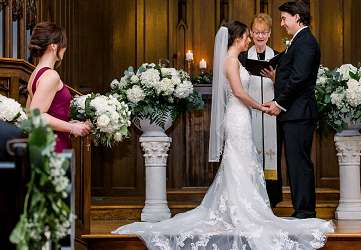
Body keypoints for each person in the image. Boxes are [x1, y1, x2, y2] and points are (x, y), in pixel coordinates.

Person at [113, 21, 333, 250]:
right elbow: (238, 92)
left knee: (242, 164)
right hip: (238, 118)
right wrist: (261, 107)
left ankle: (241, 207)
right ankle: (240, 211)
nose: (249, 40)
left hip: (242, 118)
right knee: (237, 163)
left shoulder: (235, 59)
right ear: (237, 38)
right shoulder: (230, 60)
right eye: (247, 37)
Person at [263, 1, 321, 219]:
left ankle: (305, 211)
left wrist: (278, 103)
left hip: (299, 114)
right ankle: (302, 209)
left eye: (284, 18)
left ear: (297, 17)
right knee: (295, 163)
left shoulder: (305, 42)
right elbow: (294, 76)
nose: (282, 23)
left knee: (299, 163)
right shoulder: (298, 41)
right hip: (294, 113)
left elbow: (299, 79)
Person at [238, 13, 282, 208]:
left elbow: (287, 88)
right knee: (250, 155)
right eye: (256, 32)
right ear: (251, 33)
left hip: (273, 114)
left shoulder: (279, 57)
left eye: (264, 32)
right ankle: (253, 199)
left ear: (270, 33)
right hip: (251, 111)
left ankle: (271, 200)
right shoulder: (244, 57)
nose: (260, 36)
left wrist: (275, 78)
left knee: (273, 155)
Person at [26, 22, 90, 152]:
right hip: (54, 146)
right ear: (54, 46)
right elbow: (35, 116)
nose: (65, 48)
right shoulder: (51, 75)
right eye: (63, 44)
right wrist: (72, 128)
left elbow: (29, 113)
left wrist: (68, 124)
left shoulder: (35, 74)